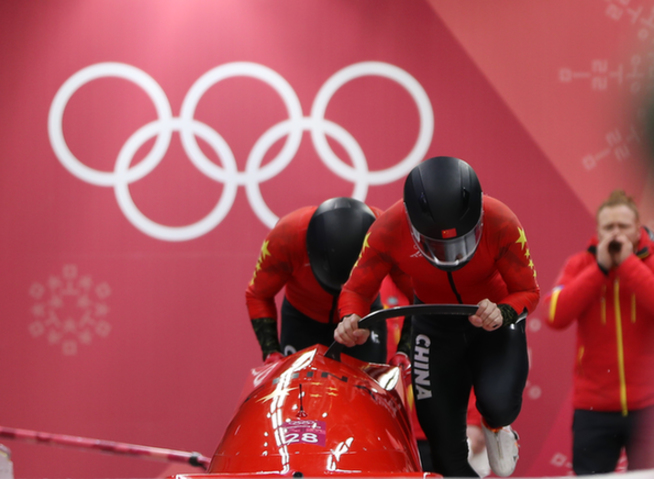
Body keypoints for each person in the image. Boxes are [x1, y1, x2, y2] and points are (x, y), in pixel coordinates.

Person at [334, 156, 540, 477]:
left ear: (480, 220)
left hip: (492, 321)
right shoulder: (389, 228)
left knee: (498, 403)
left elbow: (529, 292)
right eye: (437, 246)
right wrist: (350, 318)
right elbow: (355, 290)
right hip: (434, 326)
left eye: (463, 242)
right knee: (444, 451)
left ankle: (498, 426)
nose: (452, 255)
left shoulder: (502, 221)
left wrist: (502, 312)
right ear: (413, 228)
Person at [546, 189, 654, 474]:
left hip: (649, 405)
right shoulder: (580, 265)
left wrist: (628, 264)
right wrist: (601, 268)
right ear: (598, 231)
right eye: (609, 227)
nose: (616, 233)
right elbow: (554, 314)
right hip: (593, 409)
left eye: (623, 226)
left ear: (637, 228)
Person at [246, 197, 410, 364]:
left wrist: (405, 350)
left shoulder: (386, 235)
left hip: (360, 322)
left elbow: (418, 294)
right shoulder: (285, 236)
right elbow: (258, 295)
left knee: (366, 387)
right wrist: (270, 350)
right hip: (303, 321)